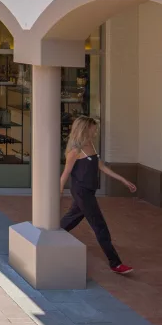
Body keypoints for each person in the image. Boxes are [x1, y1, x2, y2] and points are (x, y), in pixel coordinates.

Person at [60, 116, 135, 275]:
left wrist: (123, 179)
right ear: (85, 129)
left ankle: (49, 237)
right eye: (94, 128)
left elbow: (101, 166)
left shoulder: (90, 145)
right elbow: (65, 173)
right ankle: (115, 263)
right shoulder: (75, 150)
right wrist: (58, 192)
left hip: (89, 191)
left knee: (71, 219)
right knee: (100, 226)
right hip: (82, 192)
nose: (95, 131)